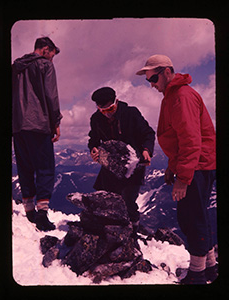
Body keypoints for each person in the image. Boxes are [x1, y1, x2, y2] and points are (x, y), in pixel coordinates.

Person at [136, 54, 217, 284]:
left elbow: (191, 140)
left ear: (167, 72)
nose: (151, 84)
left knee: (191, 217)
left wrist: (183, 176)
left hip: (197, 165)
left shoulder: (182, 96)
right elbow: (177, 138)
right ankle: (210, 268)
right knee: (198, 214)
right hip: (197, 163)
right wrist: (173, 166)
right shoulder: (172, 96)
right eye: (147, 80)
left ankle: (197, 275)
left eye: (152, 78)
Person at [12, 37, 63, 231]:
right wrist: (55, 122)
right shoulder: (44, 66)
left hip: (18, 126)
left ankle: (29, 210)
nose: (52, 60)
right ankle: (42, 215)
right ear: (45, 50)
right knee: (45, 167)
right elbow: (51, 96)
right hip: (38, 124)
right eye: (52, 55)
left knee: (25, 167)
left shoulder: (16, 67)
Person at [88, 87, 155, 233]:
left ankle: (133, 230)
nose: (107, 113)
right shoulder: (96, 119)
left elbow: (148, 133)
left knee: (128, 199)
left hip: (133, 163)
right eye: (102, 110)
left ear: (116, 101)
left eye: (110, 108)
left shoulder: (131, 114)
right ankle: (109, 229)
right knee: (106, 197)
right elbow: (93, 138)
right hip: (110, 164)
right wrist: (93, 148)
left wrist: (146, 150)